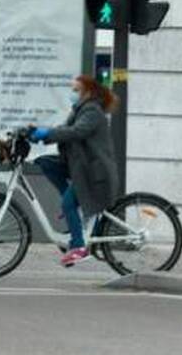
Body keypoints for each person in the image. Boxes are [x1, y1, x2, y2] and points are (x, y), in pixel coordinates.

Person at [30, 75, 120, 267]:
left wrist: (46, 134)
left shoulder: (92, 111)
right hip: (82, 167)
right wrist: (38, 133)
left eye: (76, 90)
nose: (72, 94)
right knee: (46, 162)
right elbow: (64, 129)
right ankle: (74, 208)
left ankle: (79, 247)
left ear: (88, 92)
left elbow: (76, 132)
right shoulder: (79, 110)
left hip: (94, 173)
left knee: (68, 203)